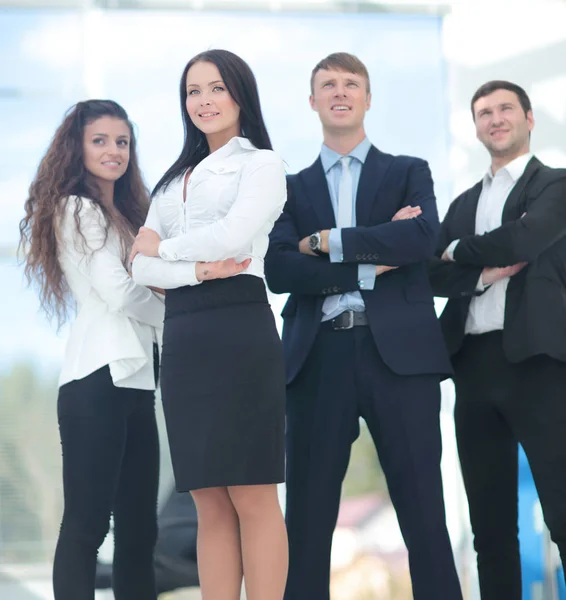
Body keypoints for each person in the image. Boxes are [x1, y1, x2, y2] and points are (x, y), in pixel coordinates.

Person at [265, 52, 462, 600]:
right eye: (327, 84)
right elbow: (280, 269)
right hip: (317, 359)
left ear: (368, 98)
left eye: (351, 82)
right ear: (312, 102)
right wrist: (375, 254)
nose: (339, 91)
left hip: (399, 357)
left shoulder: (408, 171)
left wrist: (328, 242)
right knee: (305, 524)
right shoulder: (290, 187)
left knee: (425, 515)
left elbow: (422, 240)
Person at [130, 49, 288, 600]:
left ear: (240, 94)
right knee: (206, 496)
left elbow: (234, 237)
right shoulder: (171, 182)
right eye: (193, 92)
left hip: (240, 329)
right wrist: (195, 268)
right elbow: (139, 266)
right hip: (185, 336)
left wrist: (166, 251)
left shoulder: (262, 165)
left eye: (216, 88)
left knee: (251, 491)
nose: (204, 101)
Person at [19, 100, 165, 600]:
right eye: (100, 140)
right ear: (76, 149)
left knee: (140, 533)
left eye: (122, 142)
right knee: (86, 527)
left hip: (136, 382)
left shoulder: (128, 215)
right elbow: (121, 293)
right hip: (97, 379)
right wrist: (183, 318)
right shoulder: (77, 209)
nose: (114, 151)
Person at [429, 80, 566, 599]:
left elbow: (527, 238)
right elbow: (426, 273)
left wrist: (458, 250)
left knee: (563, 510)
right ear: (477, 127)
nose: (495, 118)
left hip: (540, 363)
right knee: (489, 529)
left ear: (529, 118)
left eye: (505, 108)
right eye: (484, 112)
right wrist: (482, 273)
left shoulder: (555, 184)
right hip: (473, 368)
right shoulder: (464, 202)